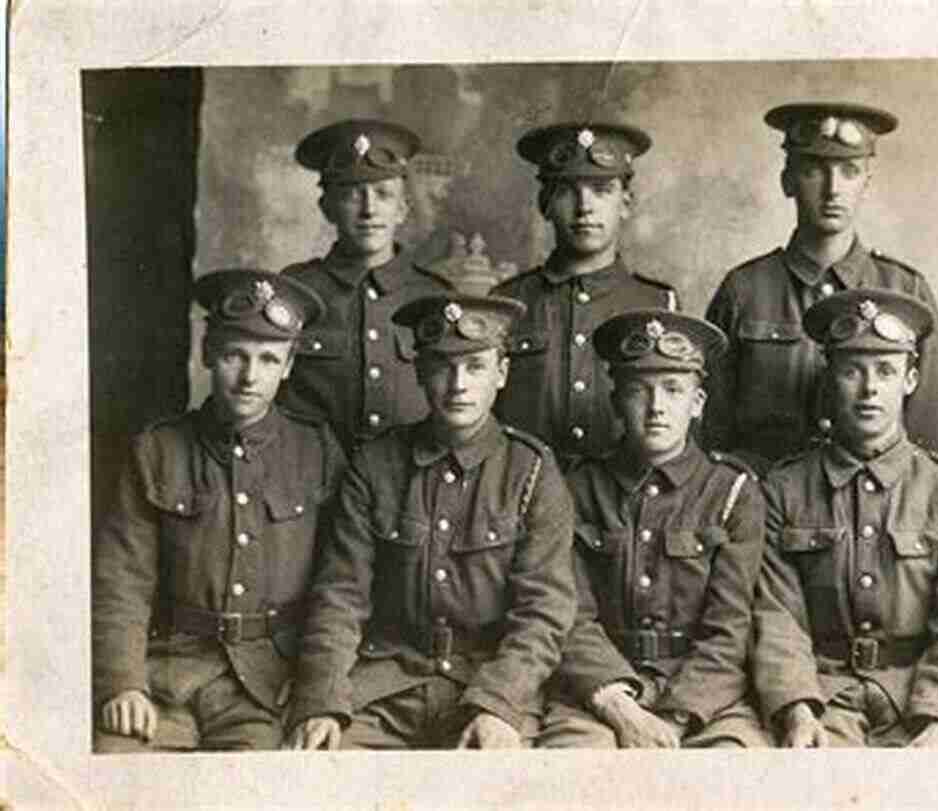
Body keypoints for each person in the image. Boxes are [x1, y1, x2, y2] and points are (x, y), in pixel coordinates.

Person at [285, 293, 575, 750]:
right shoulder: (376, 465)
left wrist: (498, 704)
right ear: (419, 371)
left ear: (501, 374)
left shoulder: (533, 470)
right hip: (387, 685)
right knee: (325, 774)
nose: (459, 383)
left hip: (486, 685)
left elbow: (543, 613)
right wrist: (322, 700)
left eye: (476, 367)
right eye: (442, 366)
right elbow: (341, 595)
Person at [92, 270, 345, 752]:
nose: (251, 377)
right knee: (116, 766)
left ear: (288, 366)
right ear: (207, 353)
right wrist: (122, 682)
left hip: (267, 684)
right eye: (235, 356)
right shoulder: (157, 449)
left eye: (268, 359)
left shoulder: (316, 450)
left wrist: (316, 693)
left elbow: (341, 586)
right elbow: (121, 579)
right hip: (164, 673)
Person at [752, 288, 938, 747]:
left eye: (885, 371)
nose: (869, 390)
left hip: (919, 698)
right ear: (829, 379)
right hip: (824, 697)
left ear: (910, 380)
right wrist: (797, 709)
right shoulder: (783, 489)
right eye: (852, 371)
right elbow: (776, 615)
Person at [537, 310, 768, 749]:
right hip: (600, 690)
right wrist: (619, 707)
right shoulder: (578, 489)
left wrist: (676, 719)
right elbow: (569, 614)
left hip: (707, 696)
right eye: (639, 390)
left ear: (698, 404)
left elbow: (730, 631)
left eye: (673, 390)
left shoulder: (733, 493)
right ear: (616, 401)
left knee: (734, 771)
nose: (657, 406)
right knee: (571, 767)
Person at [704, 103, 938, 471]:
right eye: (813, 171)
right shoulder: (744, 291)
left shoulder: (905, 290)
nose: (833, 188)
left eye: (849, 171)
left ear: (867, 184)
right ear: (787, 181)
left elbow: (932, 441)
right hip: (764, 507)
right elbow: (710, 431)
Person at [492, 121, 679, 469]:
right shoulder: (507, 303)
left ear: (626, 202)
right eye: (566, 191)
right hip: (522, 499)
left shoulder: (657, 305)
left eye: (601, 189)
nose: (584, 207)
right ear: (544, 204)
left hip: (619, 506)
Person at [277, 118, 455, 452]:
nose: (369, 210)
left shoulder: (433, 295)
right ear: (327, 208)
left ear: (402, 209)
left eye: (384, 195)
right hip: (313, 482)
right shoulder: (297, 290)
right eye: (352, 196)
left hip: (404, 483)